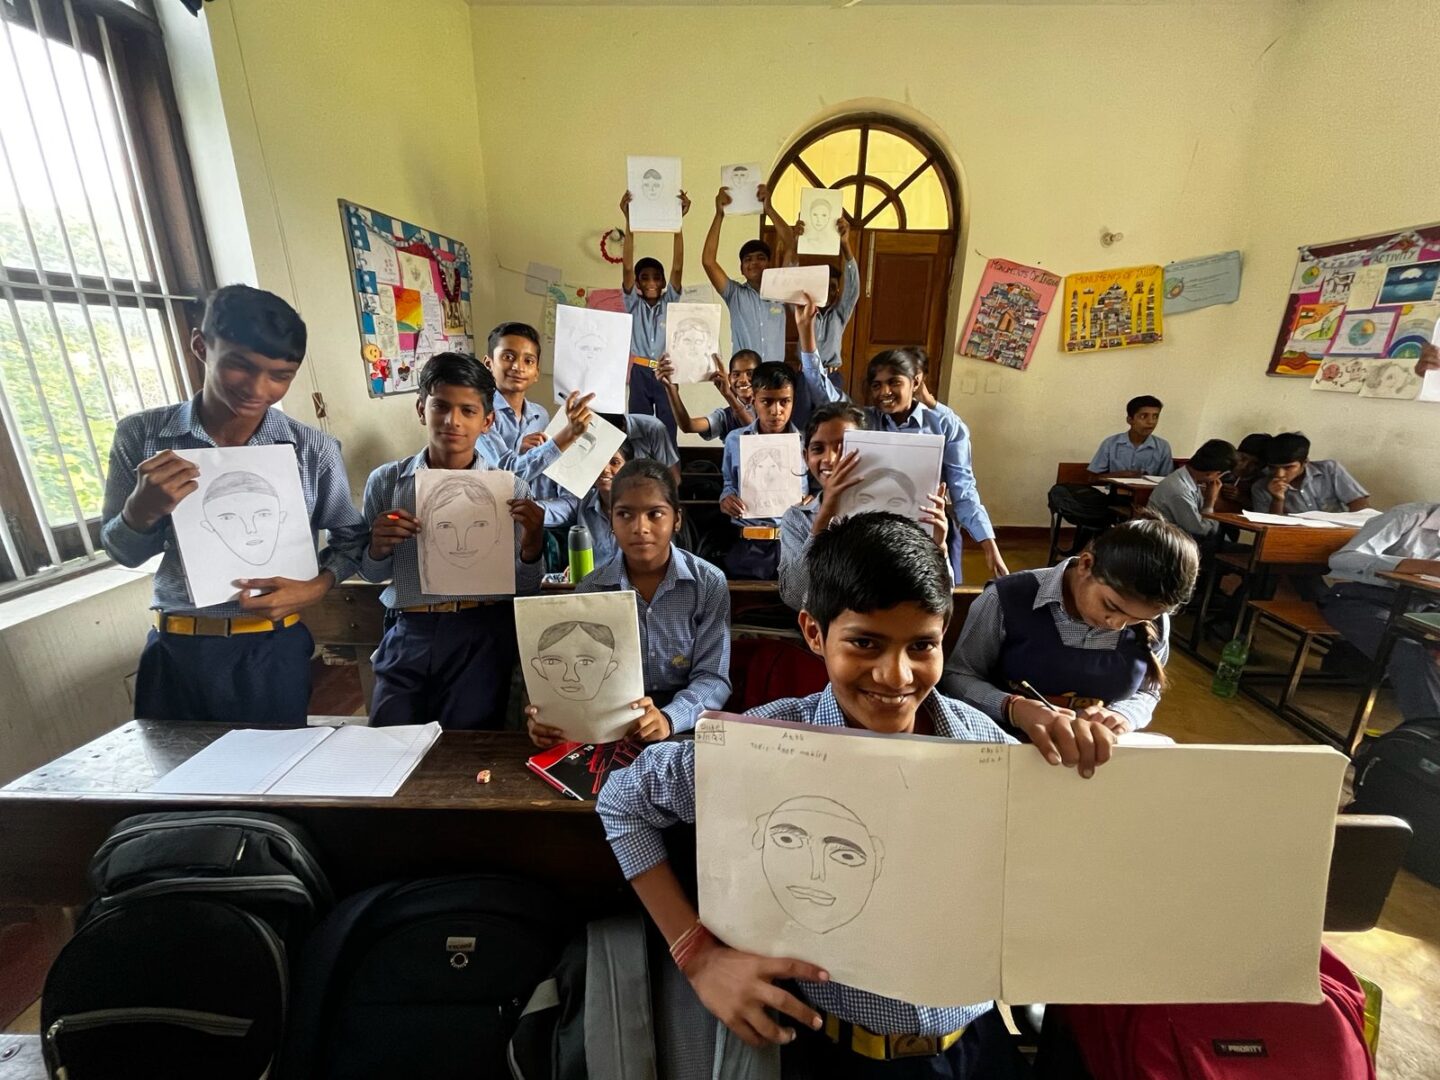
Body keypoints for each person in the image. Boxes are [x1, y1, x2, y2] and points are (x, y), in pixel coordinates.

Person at [596, 513, 1115, 1076]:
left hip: (973, 1046)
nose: (896, 676)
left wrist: (1081, 769)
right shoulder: (764, 748)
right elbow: (623, 800)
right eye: (865, 642)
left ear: (945, 633)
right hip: (828, 1048)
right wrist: (695, 953)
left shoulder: (982, 744)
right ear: (814, 633)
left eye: (922, 645)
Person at [99, 285, 368, 726]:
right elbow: (122, 552)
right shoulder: (143, 437)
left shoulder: (311, 449)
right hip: (176, 647)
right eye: (241, 365)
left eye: (280, 375)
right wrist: (140, 511)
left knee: (274, 767)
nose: (258, 388)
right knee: (177, 767)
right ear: (201, 346)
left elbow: (351, 538)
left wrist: (316, 587)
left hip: (272, 647)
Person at [360, 354, 545, 729]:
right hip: (409, 627)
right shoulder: (387, 482)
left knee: (468, 738)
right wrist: (377, 549)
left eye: (468, 411)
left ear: (487, 421)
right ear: (421, 409)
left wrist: (532, 545)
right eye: (440, 406)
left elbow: (525, 587)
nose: (452, 421)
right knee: (389, 735)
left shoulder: (510, 490)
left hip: (481, 631)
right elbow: (371, 574)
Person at [794, 299, 1007, 582]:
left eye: (894, 382)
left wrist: (988, 544)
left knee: (936, 593)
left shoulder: (945, 425)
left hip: (928, 530)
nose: (884, 392)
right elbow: (822, 391)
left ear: (915, 382)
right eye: (876, 385)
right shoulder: (864, 422)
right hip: (872, 530)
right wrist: (806, 332)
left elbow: (963, 491)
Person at [527, 459, 731, 743]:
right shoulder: (591, 589)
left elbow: (713, 677)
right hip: (611, 725)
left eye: (655, 514)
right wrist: (554, 719)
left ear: (677, 519)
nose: (640, 527)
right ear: (611, 521)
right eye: (624, 514)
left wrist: (669, 718)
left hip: (684, 724)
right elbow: (578, 672)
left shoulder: (708, 583)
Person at [941, 516, 1199, 736]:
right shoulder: (1007, 599)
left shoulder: (1155, 622)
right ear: (1086, 564)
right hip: (1002, 742)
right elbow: (958, 676)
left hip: (1097, 752)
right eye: (1111, 606)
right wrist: (1012, 708)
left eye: (1137, 620)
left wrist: (1123, 716)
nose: (1118, 626)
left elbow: (1147, 692)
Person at [778, 403, 949, 612]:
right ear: (806, 457)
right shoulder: (798, 519)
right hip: (833, 629)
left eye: (843, 447)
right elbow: (794, 596)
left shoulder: (896, 511)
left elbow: (940, 596)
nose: (829, 459)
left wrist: (938, 546)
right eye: (817, 449)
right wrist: (823, 518)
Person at [1319, 502, 1440, 722]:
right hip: (1361, 599)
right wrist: (1418, 566)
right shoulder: (1408, 516)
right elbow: (1342, 558)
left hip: (1424, 607)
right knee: (1408, 651)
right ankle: (1429, 733)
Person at [475, 322, 595, 482]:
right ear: (488, 364)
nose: (518, 367)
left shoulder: (540, 415)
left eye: (528, 361)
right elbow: (507, 473)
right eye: (508, 357)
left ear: (536, 373)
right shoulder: (478, 413)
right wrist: (569, 433)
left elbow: (545, 471)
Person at [621, 188, 690, 443]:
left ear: (662, 282)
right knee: (638, 428)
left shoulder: (670, 302)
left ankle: (670, 467)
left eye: (656, 278)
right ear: (638, 283)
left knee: (667, 427)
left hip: (665, 372)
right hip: (640, 372)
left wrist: (678, 224)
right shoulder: (633, 304)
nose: (651, 282)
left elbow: (678, 266)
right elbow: (627, 266)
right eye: (645, 278)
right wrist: (629, 222)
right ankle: (640, 467)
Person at [720, 361, 800, 580]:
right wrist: (726, 499)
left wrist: (811, 502)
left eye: (785, 401)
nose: (776, 411)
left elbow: (817, 490)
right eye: (767, 402)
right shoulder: (735, 440)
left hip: (793, 545)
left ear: (793, 400)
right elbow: (729, 484)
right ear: (753, 399)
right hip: (748, 545)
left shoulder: (804, 443)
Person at [703, 185, 786, 362]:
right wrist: (719, 214)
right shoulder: (735, 294)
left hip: (775, 374)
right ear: (741, 269)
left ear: (769, 264)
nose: (754, 263)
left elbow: (791, 244)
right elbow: (708, 261)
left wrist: (769, 209)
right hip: (744, 375)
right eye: (748, 259)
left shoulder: (782, 292)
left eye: (760, 258)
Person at [535, 442, 629, 580]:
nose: (605, 469)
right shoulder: (582, 502)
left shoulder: (644, 506)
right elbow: (540, 511)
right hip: (592, 586)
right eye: (598, 462)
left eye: (614, 462)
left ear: (629, 467)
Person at [1249, 431, 1369, 515]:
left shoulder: (1330, 469)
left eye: (1288, 467)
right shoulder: (1261, 487)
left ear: (1305, 462)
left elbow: (1359, 503)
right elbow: (1270, 528)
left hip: (1338, 534)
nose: (1279, 474)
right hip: (1296, 539)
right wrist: (1277, 500)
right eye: (1273, 468)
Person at [1147, 439, 1237, 545]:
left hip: (1181, 541)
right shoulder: (1180, 491)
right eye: (1219, 475)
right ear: (1212, 473)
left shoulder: (1189, 479)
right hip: (1168, 545)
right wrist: (1210, 501)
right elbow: (1201, 531)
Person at [657, 350, 755, 441]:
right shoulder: (725, 416)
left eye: (750, 374)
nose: (743, 380)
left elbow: (753, 431)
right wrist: (671, 390)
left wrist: (728, 395)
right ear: (729, 378)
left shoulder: (763, 409)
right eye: (736, 374)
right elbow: (688, 426)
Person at [1087, 396, 1173, 478]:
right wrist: (1118, 475)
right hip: (1115, 488)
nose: (1151, 422)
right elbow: (1092, 478)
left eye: (1155, 416)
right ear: (1130, 420)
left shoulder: (1163, 446)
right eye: (1143, 416)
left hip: (1151, 489)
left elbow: (1167, 480)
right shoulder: (1110, 443)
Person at [1220, 432, 1270, 506]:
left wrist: (1241, 498)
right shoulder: (1220, 469)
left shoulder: (1262, 484)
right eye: (1242, 458)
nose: (1244, 466)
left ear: (1263, 466)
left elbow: (1261, 508)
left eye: (1254, 463)